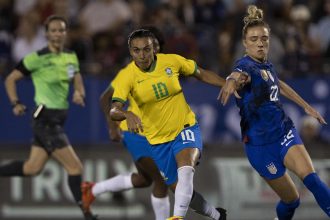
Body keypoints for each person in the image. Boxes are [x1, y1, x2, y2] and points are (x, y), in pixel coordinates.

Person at [218, 5, 330, 220]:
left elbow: (278, 83)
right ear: (244, 43)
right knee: (292, 201)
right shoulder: (246, 66)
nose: (260, 42)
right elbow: (238, 75)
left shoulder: (266, 65)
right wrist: (231, 81)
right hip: (260, 148)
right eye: (254, 39)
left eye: (264, 38)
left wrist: (305, 105)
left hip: (284, 132)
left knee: (312, 180)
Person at [109, 29, 227, 220]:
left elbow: (201, 73)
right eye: (136, 51)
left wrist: (226, 83)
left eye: (146, 49)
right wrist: (126, 113)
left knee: (186, 169)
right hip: (157, 142)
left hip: (185, 127)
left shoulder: (171, 61)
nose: (142, 55)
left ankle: (177, 218)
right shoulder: (127, 76)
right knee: (181, 191)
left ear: (153, 48)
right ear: (131, 52)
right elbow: (113, 110)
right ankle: (217, 216)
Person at [1, 15, 98, 220]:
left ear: (65, 33)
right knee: (75, 167)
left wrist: (79, 91)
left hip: (56, 120)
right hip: (46, 121)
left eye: (61, 30)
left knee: (32, 168)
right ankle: (86, 212)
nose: (57, 34)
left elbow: (76, 76)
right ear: (46, 34)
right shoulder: (36, 58)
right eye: (53, 30)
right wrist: (15, 103)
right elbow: (10, 79)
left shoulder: (70, 56)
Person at [82, 26, 170, 220]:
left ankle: (93, 190)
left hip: (155, 134)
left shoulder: (166, 68)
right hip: (135, 133)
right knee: (161, 180)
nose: (147, 52)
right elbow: (105, 98)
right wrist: (112, 125)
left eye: (152, 47)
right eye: (144, 47)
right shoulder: (130, 70)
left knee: (144, 180)